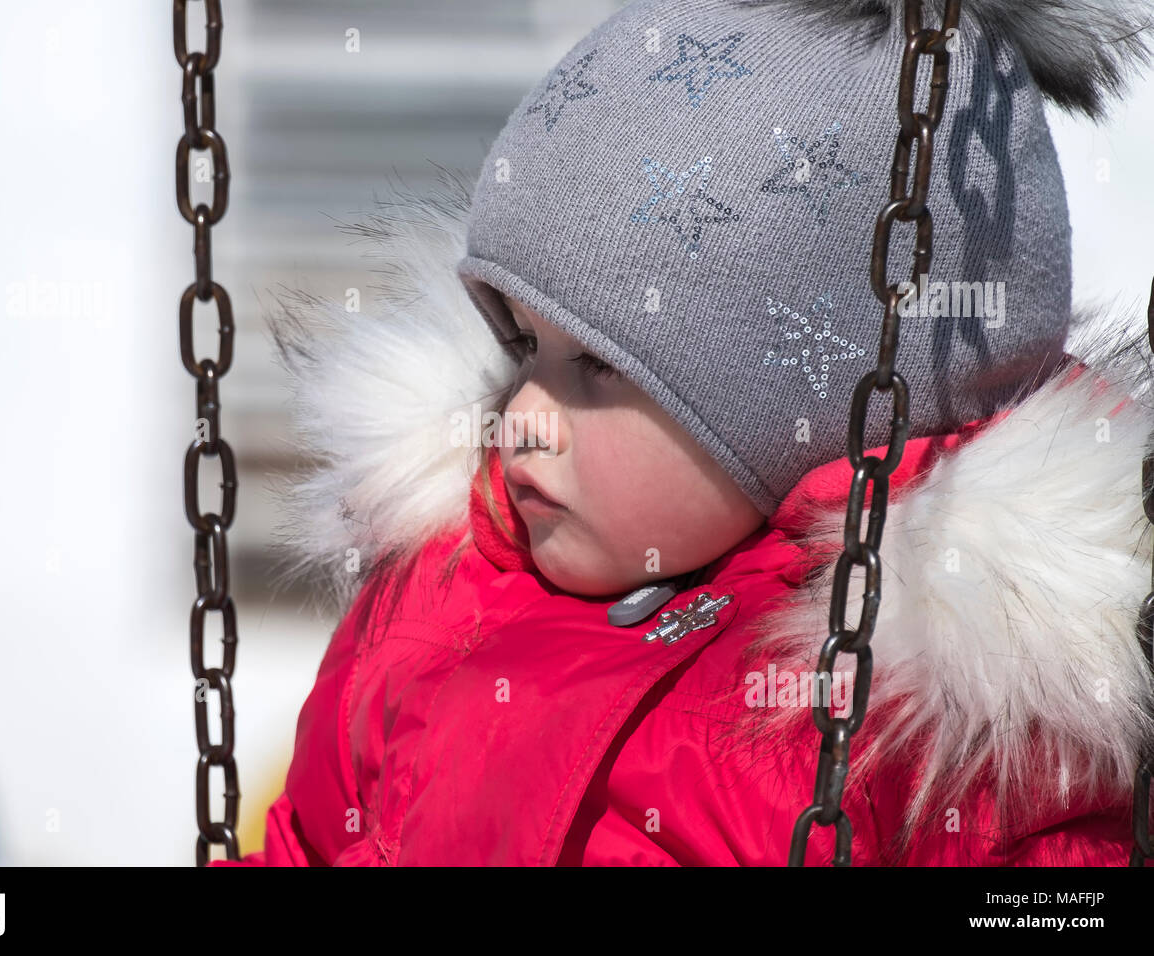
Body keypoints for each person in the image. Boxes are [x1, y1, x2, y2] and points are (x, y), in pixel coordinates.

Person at [210, 0, 1154, 865]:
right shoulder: (441, 597)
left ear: (821, 421)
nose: (522, 420)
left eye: (600, 369)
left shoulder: (946, 729)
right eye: (523, 348)